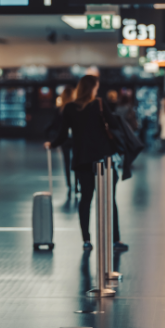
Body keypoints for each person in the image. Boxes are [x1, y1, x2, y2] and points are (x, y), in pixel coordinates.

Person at [45, 75, 127, 252]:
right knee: (108, 200)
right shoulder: (98, 104)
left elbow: (63, 134)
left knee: (86, 199)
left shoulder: (69, 108)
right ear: (92, 88)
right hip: (103, 159)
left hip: (82, 160)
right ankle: (115, 239)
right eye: (96, 87)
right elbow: (114, 125)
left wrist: (52, 144)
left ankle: (86, 239)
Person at [46, 86, 77, 194]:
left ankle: (69, 183)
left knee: (66, 161)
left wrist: (50, 138)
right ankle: (77, 184)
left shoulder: (60, 110)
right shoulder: (75, 108)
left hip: (63, 139)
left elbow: (54, 124)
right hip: (75, 138)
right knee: (76, 161)